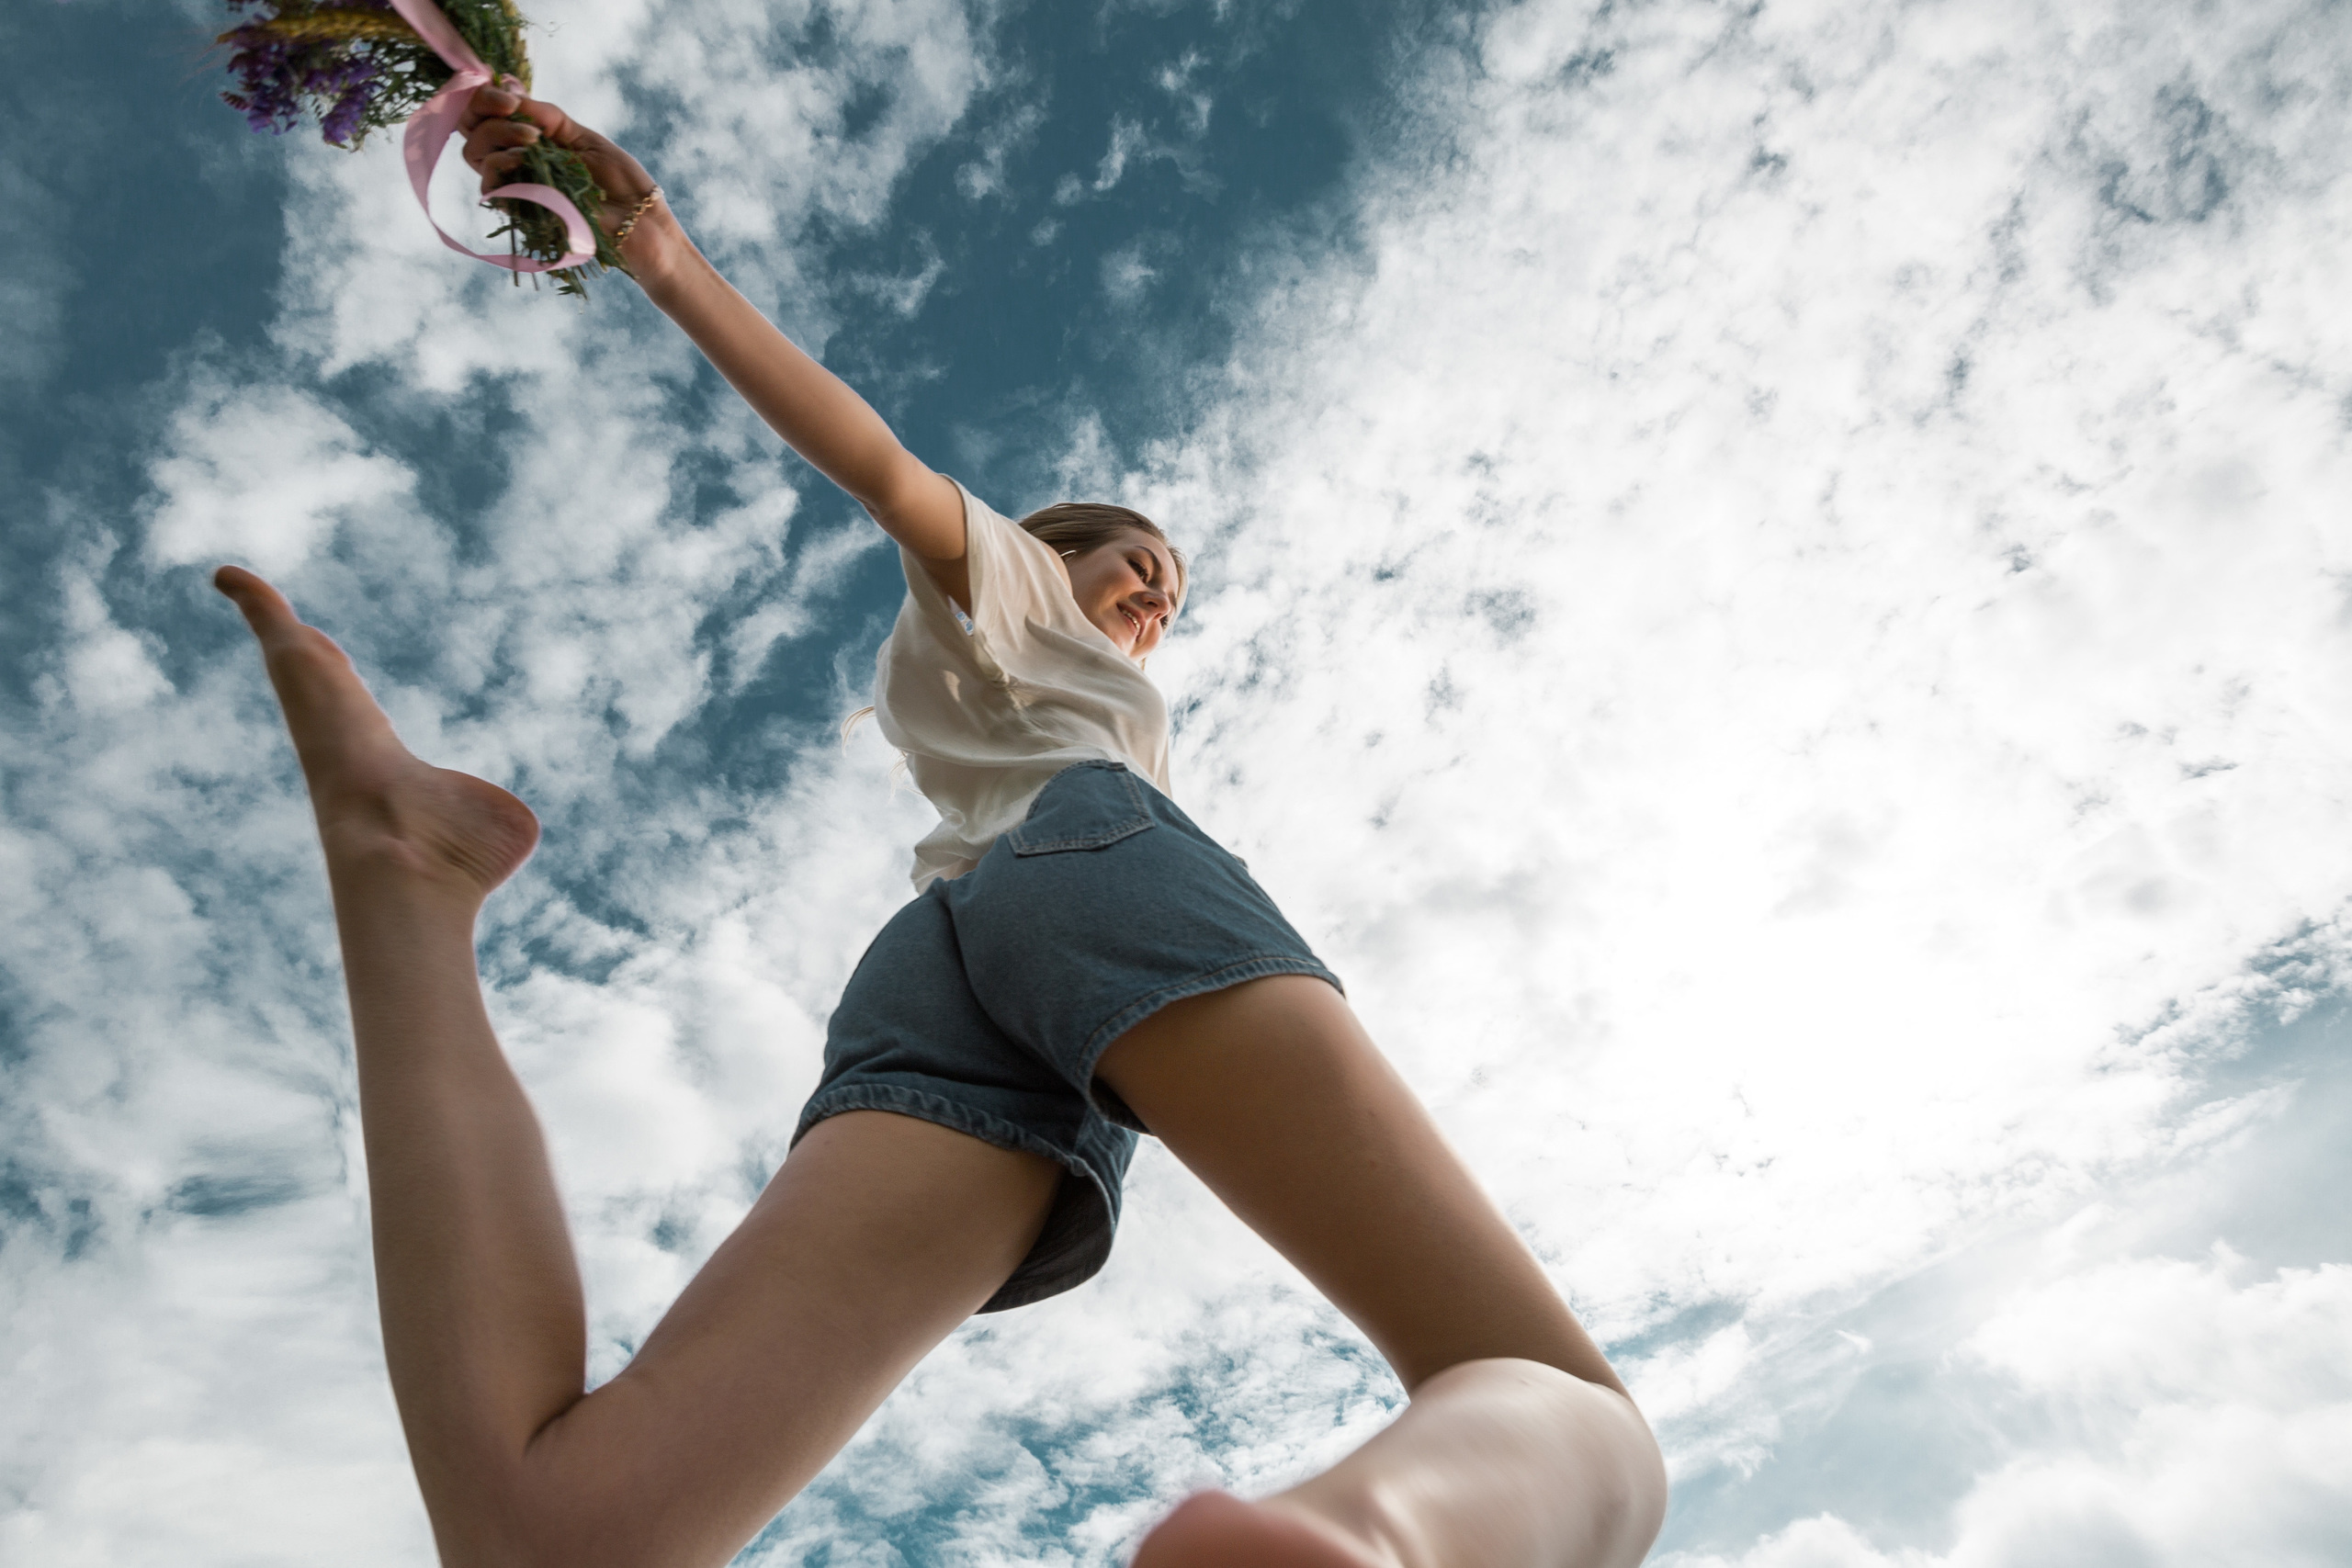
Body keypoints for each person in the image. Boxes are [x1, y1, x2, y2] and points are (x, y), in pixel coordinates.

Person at [209, 78, 1668, 1568]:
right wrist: (661, 258)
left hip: (947, 963)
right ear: (1052, 552)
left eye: (1171, 596)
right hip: (1096, 874)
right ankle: (1366, 1544)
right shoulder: (1024, 597)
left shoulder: (1001, 661)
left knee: (558, 1535)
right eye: (1139, 564)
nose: (1156, 598)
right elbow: (881, 464)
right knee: (1571, 1407)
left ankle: (403, 884)